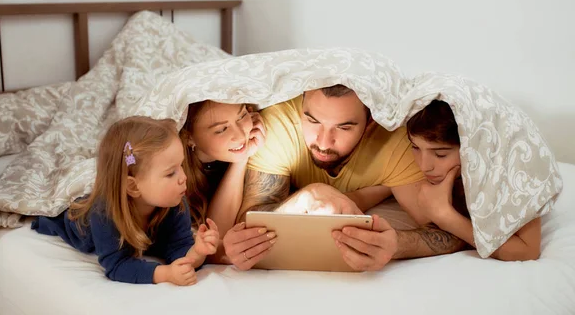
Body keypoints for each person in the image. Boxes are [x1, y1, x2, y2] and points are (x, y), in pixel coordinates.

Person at [223, 84, 467, 271]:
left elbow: (449, 232)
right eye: (312, 120)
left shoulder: (394, 139)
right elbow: (252, 219)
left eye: (344, 127)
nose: (323, 142)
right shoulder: (280, 124)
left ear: (370, 121)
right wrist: (308, 195)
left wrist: (397, 245)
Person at [32, 116, 219, 286]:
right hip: (78, 219)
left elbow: (179, 249)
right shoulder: (104, 214)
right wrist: (165, 273)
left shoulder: (175, 202)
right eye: (171, 173)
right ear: (133, 186)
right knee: (67, 210)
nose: (183, 178)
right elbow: (117, 265)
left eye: (181, 166)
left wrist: (198, 251)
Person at [406, 99, 541, 261]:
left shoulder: (514, 170)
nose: (424, 166)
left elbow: (528, 251)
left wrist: (445, 216)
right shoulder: (432, 168)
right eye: (415, 147)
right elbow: (382, 188)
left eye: (440, 154)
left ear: (474, 148)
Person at [178, 100, 268, 263]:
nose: (241, 135)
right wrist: (241, 158)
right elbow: (216, 237)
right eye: (221, 129)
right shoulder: (177, 176)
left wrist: (242, 158)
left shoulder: (252, 148)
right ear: (189, 138)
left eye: (241, 116)